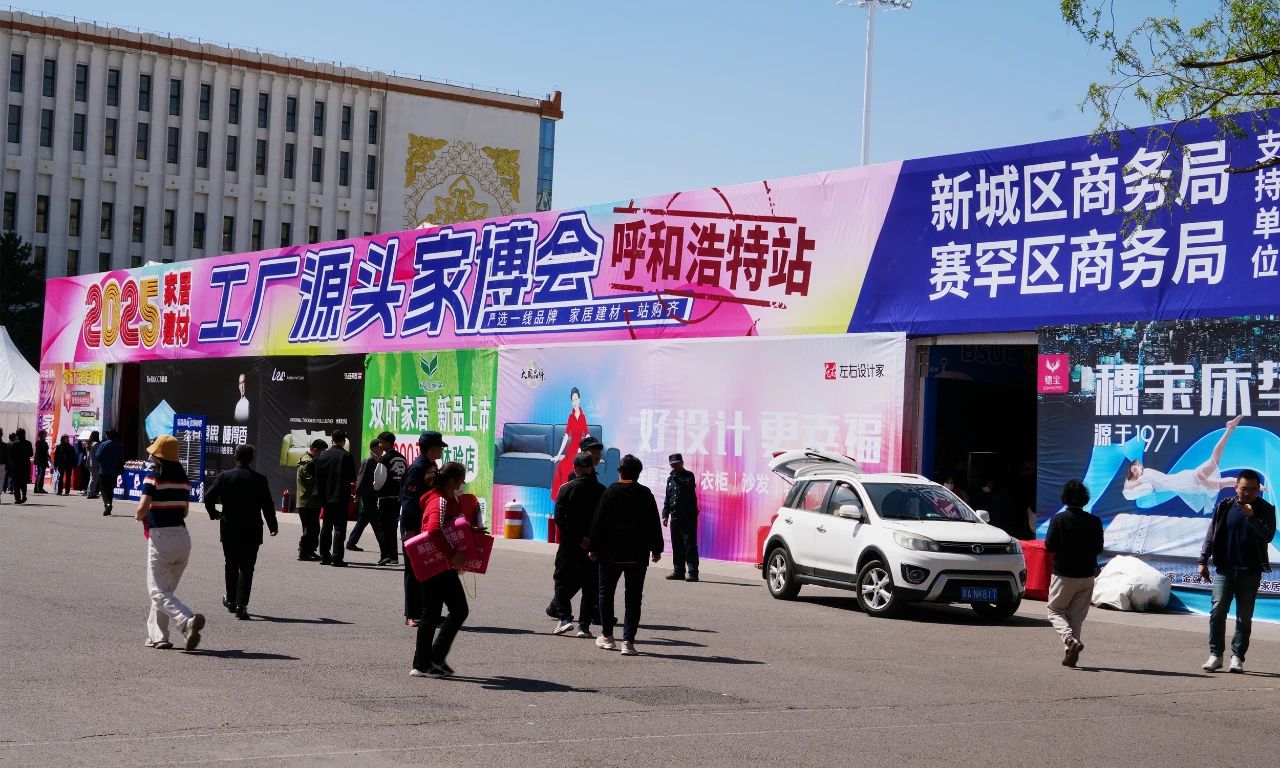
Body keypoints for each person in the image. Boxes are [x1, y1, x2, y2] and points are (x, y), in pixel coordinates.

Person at [1197, 468, 1277, 673]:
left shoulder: (1266, 509)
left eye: (1252, 489)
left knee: (1244, 617)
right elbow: (1211, 534)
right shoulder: (1224, 506)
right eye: (1243, 488)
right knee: (1217, 612)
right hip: (1224, 569)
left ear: (1258, 490)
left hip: (1250, 571)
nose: (1247, 493)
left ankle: (1237, 657)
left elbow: (1268, 536)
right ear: (1236, 488)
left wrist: (1252, 517)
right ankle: (1216, 655)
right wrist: (1203, 560)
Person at [588, 454, 664, 657]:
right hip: (637, 554)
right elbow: (653, 523)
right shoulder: (645, 494)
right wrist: (656, 549)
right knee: (634, 598)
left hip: (610, 553)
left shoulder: (611, 492)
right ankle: (628, 642)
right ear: (638, 473)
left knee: (606, 594)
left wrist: (593, 548)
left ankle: (607, 636)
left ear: (620, 471)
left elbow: (599, 523)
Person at [135, 435, 205, 651]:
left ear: (159, 456)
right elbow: (184, 512)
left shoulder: (153, 477)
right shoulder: (184, 480)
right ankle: (159, 637)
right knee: (165, 593)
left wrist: (138, 515)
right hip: (182, 538)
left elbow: (142, 507)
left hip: (161, 537)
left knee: (158, 593)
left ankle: (186, 620)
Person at [412, 462, 475, 677]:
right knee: (446, 611)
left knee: (444, 612)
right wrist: (451, 553)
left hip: (441, 564)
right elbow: (434, 531)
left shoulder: (447, 499)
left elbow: (449, 527)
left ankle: (430, 659)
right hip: (437, 563)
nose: (462, 484)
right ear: (451, 481)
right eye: (461, 480)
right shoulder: (439, 500)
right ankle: (426, 662)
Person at [204, 443, 278, 620]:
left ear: (235, 457)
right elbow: (268, 505)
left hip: (229, 527)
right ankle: (241, 605)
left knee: (231, 564)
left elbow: (208, 496)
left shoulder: (224, 476)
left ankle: (230, 599)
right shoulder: (260, 479)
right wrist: (273, 526)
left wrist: (214, 513)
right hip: (252, 528)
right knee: (247, 567)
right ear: (252, 458)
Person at [1125, 416, 1242, 515]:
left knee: (1214, 462)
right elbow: (1138, 489)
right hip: (1187, 484)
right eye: (1133, 473)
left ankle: (1230, 429)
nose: (1135, 473)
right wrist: (1131, 482)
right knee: (1220, 483)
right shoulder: (1143, 478)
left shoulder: (1145, 475)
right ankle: (1249, 484)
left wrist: (1129, 482)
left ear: (1140, 465)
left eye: (1135, 469)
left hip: (1187, 480)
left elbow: (1130, 489)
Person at [1044, 479, 1104, 668]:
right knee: (1076, 616)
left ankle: (1069, 640)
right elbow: (1099, 548)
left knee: (1055, 610)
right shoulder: (1094, 521)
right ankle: (1070, 651)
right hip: (1087, 574)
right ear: (1085, 498)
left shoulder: (1059, 519)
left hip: (1064, 574)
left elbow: (1049, 546)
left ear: (1065, 497)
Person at [551, 453, 605, 637]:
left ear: (575, 469)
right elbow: (604, 520)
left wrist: (577, 538)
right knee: (590, 584)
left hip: (569, 544)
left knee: (561, 579)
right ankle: (584, 626)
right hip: (592, 545)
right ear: (591, 468)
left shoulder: (566, 488)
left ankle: (564, 618)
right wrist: (590, 539)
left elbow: (559, 518)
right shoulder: (601, 490)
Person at [401, 431, 446, 627]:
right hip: (413, 526)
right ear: (432, 448)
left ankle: (428, 612)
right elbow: (408, 502)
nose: (442, 450)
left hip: (426, 525)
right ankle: (412, 614)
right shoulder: (417, 469)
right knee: (413, 571)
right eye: (440, 447)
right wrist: (410, 529)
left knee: (429, 570)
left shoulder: (431, 466)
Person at [314, 429, 356, 567]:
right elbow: (352, 478)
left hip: (326, 498)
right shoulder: (346, 456)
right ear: (344, 441)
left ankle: (324, 556)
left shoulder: (322, 456)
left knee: (326, 527)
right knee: (339, 528)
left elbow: (317, 478)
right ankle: (337, 557)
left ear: (331, 439)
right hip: (341, 497)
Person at [663, 453, 700, 582]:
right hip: (675, 517)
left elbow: (687, 489)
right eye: (673, 465)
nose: (675, 467)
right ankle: (678, 571)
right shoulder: (670, 479)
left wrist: (677, 479)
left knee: (689, 545)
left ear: (682, 463)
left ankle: (693, 572)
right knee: (677, 545)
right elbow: (668, 498)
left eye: (677, 464)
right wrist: (665, 514)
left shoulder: (689, 476)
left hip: (688, 516)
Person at [375, 431, 408, 566]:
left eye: (381, 442)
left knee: (382, 526)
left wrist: (375, 488)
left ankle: (385, 555)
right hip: (398, 497)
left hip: (385, 496)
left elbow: (379, 480)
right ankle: (394, 556)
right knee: (392, 527)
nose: (380, 445)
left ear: (388, 443)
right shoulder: (402, 458)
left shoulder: (384, 458)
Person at [549, 387, 588, 500]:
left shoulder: (583, 417)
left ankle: (574, 496)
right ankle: (563, 497)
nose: (574, 402)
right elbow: (566, 436)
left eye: (576, 399)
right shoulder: (570, 417)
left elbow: (587, 434)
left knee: (573, 467)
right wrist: (558, 454)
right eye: (572, 400)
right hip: (571, 449)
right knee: (562, 467)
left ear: (579, 400)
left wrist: (586, 450)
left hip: (580, 449)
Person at [346, 439, 383, 553]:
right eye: (380, 447)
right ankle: (384, 545)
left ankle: (351, 542)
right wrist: (358, 494)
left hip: (372, 494)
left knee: (364, 519)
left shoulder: (376, 460)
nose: (382, 449)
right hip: (368, 495)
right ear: (374, 448)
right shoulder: (369, 461)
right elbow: (361, 479)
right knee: (375, 520)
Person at [295, 439, 326, 561]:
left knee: (314, 528)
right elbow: (312, 480)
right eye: (322, 452)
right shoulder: (306, 463)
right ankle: (303, 552)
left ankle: (310, 550)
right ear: (315, 450)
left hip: (313, 501)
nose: (322, 455)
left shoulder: (312, 461)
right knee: (309, 529)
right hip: (306, 501)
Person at [95, 429, 125, 516]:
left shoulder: (103, 444)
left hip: (104, 470)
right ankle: (109, 506)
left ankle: (107, 504)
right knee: (110, 489)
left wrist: (102, 462)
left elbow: (98, 456)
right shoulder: (119, 445)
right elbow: (122, 458)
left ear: (107, 435)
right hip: (114, 471)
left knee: (103, 489)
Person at [8, 428, 32, 504]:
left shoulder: (14, 444)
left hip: (16, 465)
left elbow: (11, 455)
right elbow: (31, 453)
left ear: (17, 435)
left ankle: (17, 498)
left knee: (16, 483)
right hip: (25, 465)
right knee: (24, 482)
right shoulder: (28, 443)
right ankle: (24, 495)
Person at [84, 429, 102, 498]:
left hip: (89, 463)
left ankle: (90, 492)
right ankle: (90, 493)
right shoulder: (96, 444)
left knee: (91, 478)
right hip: (95, 463)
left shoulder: (89, 444)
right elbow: (98, 454)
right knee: (94, 479)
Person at [33, 429, 49, 494]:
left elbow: (46, 452)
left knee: (41, 474)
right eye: (45, 433)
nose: (46, 434)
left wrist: (48, 457)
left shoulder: (44, 442)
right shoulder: (39, 442)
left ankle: (38, 488)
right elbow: (40, 452)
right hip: (40, 460)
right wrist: (46, 456)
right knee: (40, 474)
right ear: (42, 434)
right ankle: (38, 488)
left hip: (43, 460)